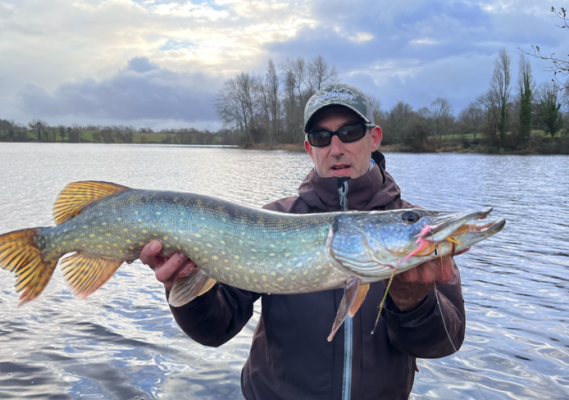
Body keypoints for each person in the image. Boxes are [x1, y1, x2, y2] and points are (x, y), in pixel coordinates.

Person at [140, 83, 465, 400]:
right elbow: (215, 329)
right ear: (309, 148)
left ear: (374, 138)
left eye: (350, 132)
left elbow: (444, 343)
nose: (335, 148)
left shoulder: (409, 226)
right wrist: (185, 284)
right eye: (321, 137)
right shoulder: (272, 220)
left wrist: (414, 303)